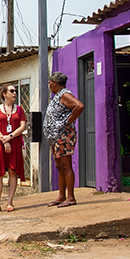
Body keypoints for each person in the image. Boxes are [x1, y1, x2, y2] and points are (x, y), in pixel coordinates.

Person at [43, 72, 84, 208]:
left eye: (50, 83)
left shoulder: (65, 95)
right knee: (59, 166)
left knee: (66, 165)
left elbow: (79, 106)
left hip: (63, 135)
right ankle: (61, 196)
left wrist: (67, 121)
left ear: (54, 82)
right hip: (56, 136)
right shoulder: (58, 96)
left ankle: (71, 197)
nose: (49, 86)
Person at [0, 84, 27, 213]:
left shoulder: (19, 109)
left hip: (14, 143)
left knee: (13, 171)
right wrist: (3, 139)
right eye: (11, 91)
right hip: (0, 143)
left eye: (15, 91)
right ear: (4, 94)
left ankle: (10, 202)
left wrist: (10, 136)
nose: (14, 93)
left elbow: (22, 126)